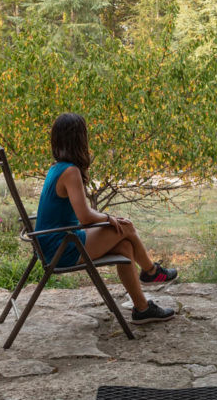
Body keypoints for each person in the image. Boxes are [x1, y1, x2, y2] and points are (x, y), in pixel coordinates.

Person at [35, 112, 178, 324]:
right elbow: (84, 216)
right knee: (126, 228)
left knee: (125, 247)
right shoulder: (70, 171)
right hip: (61, 247)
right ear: (79, 140)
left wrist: (107, 219)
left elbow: (80, 214)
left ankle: (142, 309)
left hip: (55, 242)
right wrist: (108, 217)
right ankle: (151, 271)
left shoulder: (57, 168)